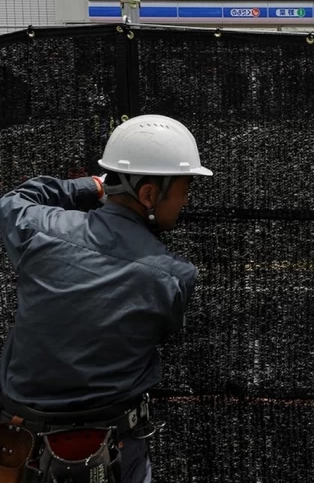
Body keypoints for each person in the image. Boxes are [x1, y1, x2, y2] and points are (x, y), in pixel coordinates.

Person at [0, 115, 212, 482]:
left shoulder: (41, 231)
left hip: (19, 452)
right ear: (148, 194)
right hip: (113, 454)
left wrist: (93, 186)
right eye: (184, 188)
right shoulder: (174, 277)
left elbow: (14, 199)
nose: (185, 201)